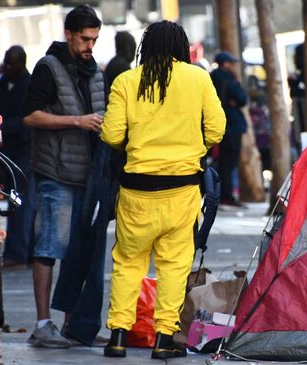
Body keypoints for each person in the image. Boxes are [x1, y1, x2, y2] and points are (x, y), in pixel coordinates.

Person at [100, 20, 225, 359]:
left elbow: (111, 135)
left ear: (146, 47)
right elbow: (216, 130)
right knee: (173, 264)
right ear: (180, 47)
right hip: (181, 190)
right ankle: (163, 341)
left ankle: (118, 337)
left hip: (136, 191)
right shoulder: (197, 77)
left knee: (127, 262)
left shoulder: (126, 80)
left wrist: (138, 143)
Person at [22, 5, 114, 348]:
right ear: (70, 34)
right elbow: (29, 116)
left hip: (87, 177)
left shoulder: (94, 72)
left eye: (95, 39)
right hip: (56, 173)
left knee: (80, 251)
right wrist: (77, 121)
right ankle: (43, 324)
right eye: (85, 38)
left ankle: (74, 324)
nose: (90, 45)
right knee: (50, 246)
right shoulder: (48, 67)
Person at [0, 45, 35, 266]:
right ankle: (22, 249)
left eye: (13, 62)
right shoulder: (3, 82)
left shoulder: (28, 86)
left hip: (23, 150)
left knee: (23, 202)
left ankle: (21, 250)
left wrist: (4, 126)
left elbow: (25, 121)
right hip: (9, 151)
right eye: (7, 62)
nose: (8, 66)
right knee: (18, 201)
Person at [210, 51, 247, 207]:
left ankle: (223, 195)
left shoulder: (211, 79)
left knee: (222, 162)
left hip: (217, 124)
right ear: (225, 64)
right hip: (232, 124)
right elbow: (242, 99)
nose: (233, 66)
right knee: (229, 163)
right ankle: (227, 196)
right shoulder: (229, 81)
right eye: (231, 63)